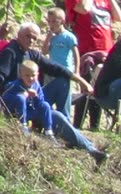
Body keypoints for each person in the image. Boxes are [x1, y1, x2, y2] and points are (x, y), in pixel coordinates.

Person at [0, 24, 104, 165]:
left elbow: (54, 67)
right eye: (27, 36)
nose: (30, 40)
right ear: (18, 35)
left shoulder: (31, 54)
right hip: (14, 103)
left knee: (59, 103)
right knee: (25, 101)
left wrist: (80, 80)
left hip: (33, 103)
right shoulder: (10, 52)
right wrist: (22, 92)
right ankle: (32, 128)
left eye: (34, 38)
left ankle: (91, 150)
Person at [41, 8, 78, 114]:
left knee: (64, 97)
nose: (51, 24)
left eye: (54, 21)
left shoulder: (69, 36)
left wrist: (77, 71)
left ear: (62, 21)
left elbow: (76, 53)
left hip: (65, 71)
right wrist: (48, 39)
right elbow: (44, 52)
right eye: (49, 21)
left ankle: (64, 118)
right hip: (51, 70)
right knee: (47, 95)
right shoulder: (52, 37)